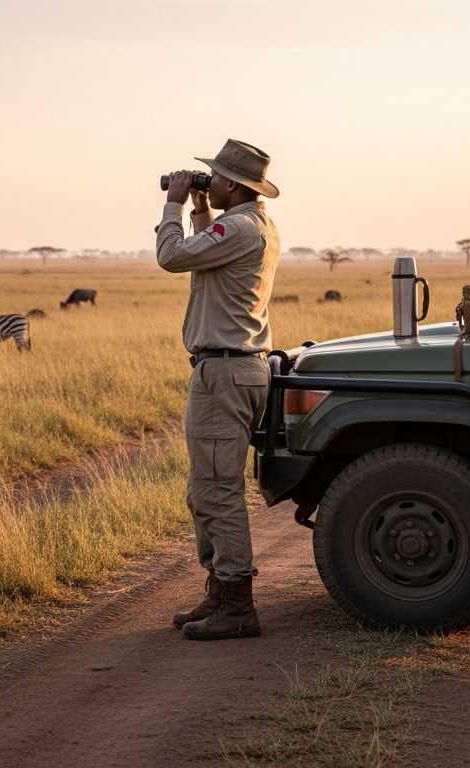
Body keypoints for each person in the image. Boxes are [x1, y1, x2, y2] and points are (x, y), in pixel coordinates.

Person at [156, 138, 281, 641]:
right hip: (241, 369)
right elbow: (209, 256)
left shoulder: (241, 226)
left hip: (224, 373)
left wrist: (173, 205)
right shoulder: (255, 225)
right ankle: (219, 592)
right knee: (205, 488)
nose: (208, 181)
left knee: (216, 491)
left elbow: (173, 257)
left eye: (215, 178)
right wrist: (203, 210)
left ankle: (237, 603)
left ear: (236, 185)